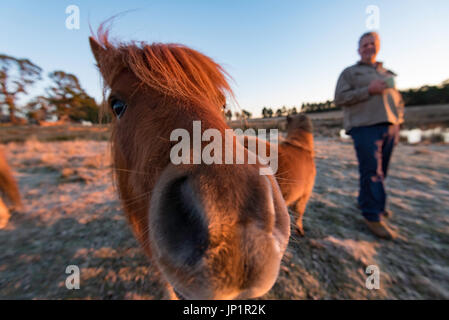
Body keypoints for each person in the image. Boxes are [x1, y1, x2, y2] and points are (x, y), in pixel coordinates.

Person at [334, 31, 404, 239]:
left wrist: (398, 122)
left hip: (389, 126)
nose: (368, 47)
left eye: (372, 44)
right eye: (364, 45)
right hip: (364, 126)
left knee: (382, 170)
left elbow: (398, 101)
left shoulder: (387, 73)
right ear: (358, 49)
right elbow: (339, 98)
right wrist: (368, 90)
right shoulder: (350, 73)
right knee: (372, 170)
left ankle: (370, 202)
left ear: (378, 46)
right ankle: (372, 216)